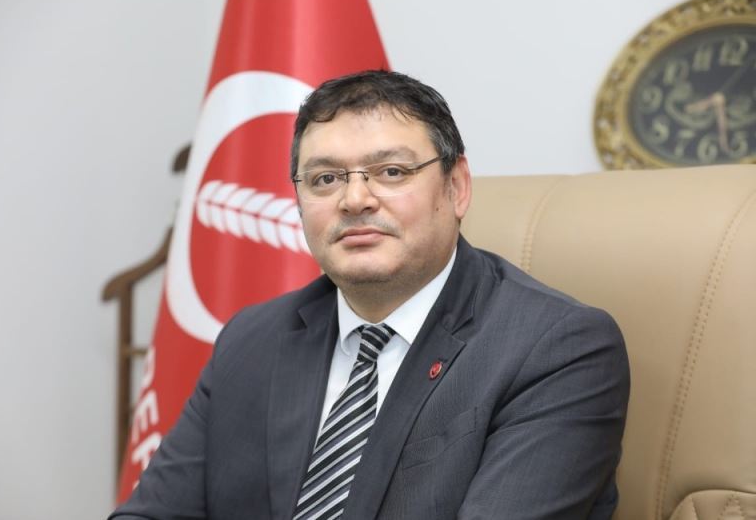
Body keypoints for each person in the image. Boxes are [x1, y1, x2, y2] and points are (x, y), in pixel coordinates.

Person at [110, 70, 630, 520]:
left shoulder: (558, 349)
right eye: (325, 179)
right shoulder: (252, 339)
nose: (355, 199)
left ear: (456, 187)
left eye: (391, 172)